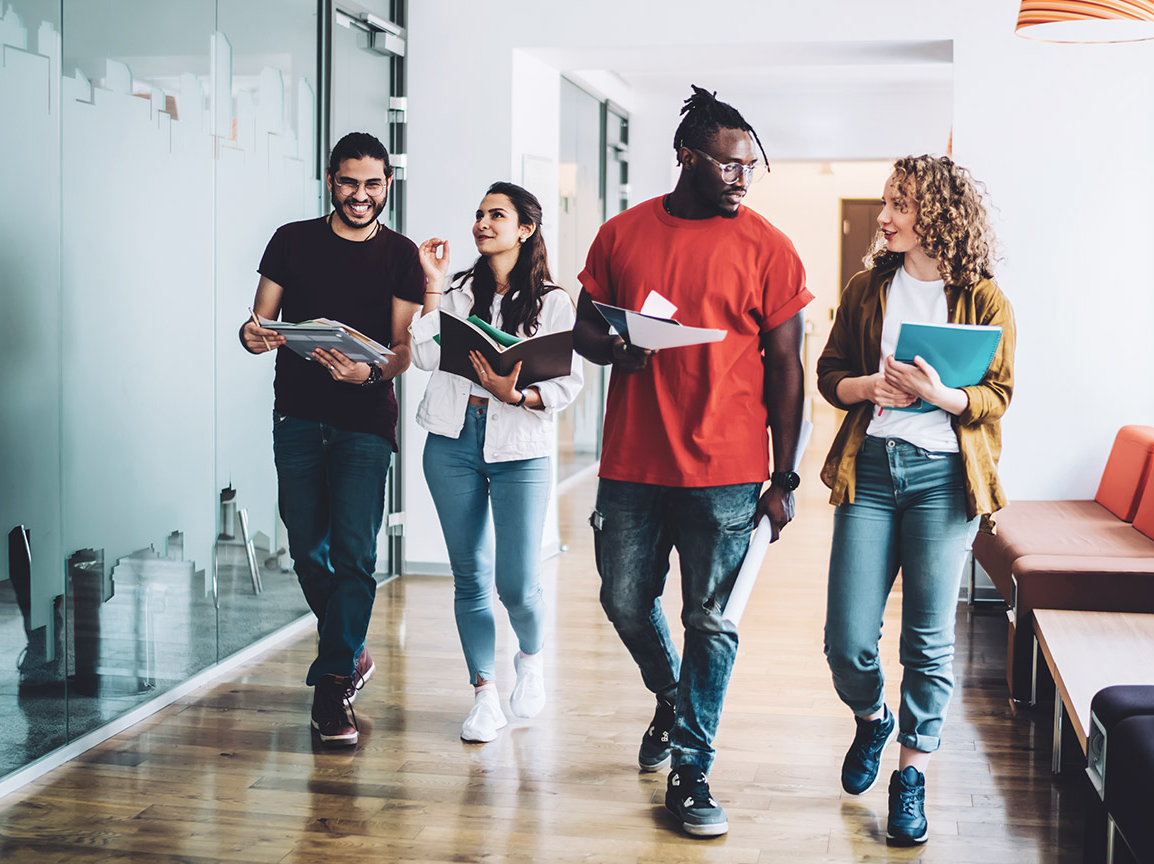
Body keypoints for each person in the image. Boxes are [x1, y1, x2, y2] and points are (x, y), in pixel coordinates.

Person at [572, 85, 812, 838]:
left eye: (750, 166)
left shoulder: (769, 247)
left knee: (713, 621)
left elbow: (787, 367)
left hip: (729, 472)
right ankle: (672, 696)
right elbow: (584, 330)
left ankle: (692, 769)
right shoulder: (621, 235)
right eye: (728, 164)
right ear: (686, 157)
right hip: (633, 465)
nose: (742, 177)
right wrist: (614, 346)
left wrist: (786, 475)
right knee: (621, 600)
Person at [816, 155, 1016, 846]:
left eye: (901, 202)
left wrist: (942, 396)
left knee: (927, 643)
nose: (887, 216)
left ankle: (911, 777)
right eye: (887, 201)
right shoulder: (869, 286)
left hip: (943, 480)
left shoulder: (984, 298)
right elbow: (829, 374)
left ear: (938, 212)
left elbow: (998, 396)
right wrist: (868, 387)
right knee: (846, 641)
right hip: (870, 469)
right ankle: (874, 719)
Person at [239, 132, 423, 748]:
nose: (361, 195)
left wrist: (370, 370)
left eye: (373, 184)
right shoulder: (291, 240)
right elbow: (258, 323)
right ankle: (351, 647)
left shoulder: (401, 255)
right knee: (305, 549)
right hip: (296, 414)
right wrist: (253, 334)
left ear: (387, 186)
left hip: (365, 420)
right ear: (330, 180)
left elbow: (402, 352)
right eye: (349, 182)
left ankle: (334, 683)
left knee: (354, 554)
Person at [409, 182, 582, 743]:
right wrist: (432, 289)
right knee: (470, 577)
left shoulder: (554, 301)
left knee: (518, 584)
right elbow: (426, 355)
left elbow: (567, 382)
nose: (483, 223)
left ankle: (529, 660)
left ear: (525, 229)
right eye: (479, 214)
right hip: (453, 441)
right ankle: (484, 692)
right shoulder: (456, 291)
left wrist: (517, 396)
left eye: (497, 215)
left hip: (520, 447)